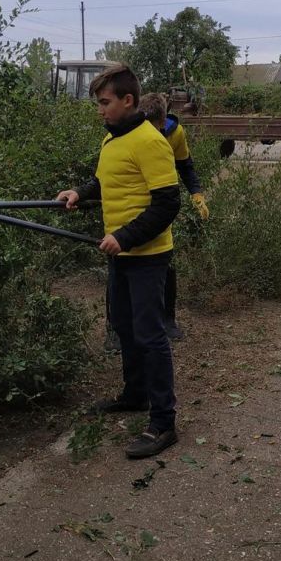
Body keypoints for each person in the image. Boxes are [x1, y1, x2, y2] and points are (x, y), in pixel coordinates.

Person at [56, 64, 180, 459]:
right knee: (124, 328)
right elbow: (104, 184)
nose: (100, 110)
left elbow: (167, 204)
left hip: (147, 256)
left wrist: (124, 236)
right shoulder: (112, 140)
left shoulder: (150, 141)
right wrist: (79, 192)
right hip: (121, 254)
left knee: (150, 335)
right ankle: (134, 395)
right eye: (98, 103)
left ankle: (163, 422)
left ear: (128, 101)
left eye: (105, 102)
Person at [139, 93, 209, 341]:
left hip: (161, 205)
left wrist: (197, 194)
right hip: (134, 203)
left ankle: (168, 320)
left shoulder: (175, 133)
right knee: (122, 268)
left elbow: (185, 166)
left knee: (166, 265)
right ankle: (114, 330)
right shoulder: (128, 133)